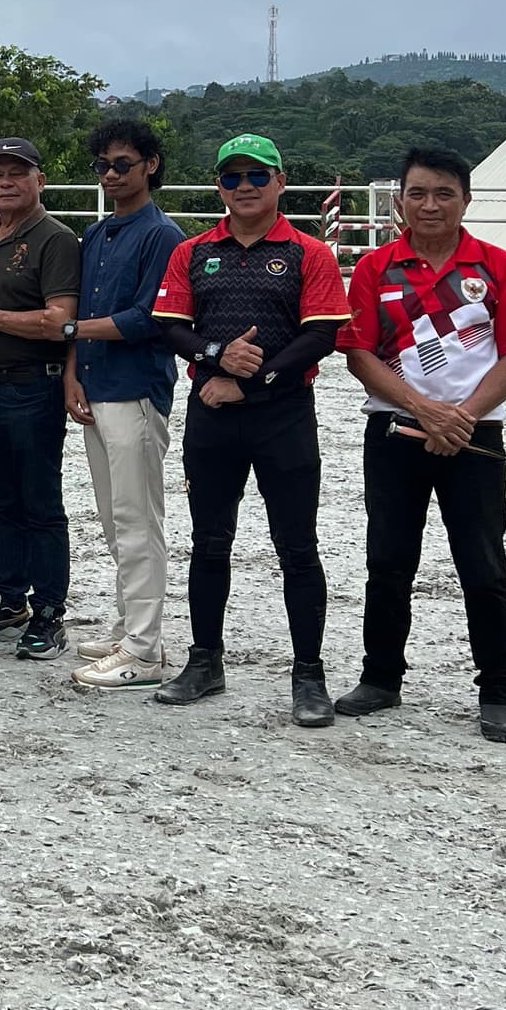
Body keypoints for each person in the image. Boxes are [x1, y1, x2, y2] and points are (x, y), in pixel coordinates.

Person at [333, 144, 506, 746]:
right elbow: (359, 353)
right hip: (396, 430)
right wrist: (423, 408)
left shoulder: (495, 266)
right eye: (418, 193)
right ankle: (380, 677)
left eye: (443, 193)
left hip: (475, 437)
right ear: (400, 199)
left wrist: (464, 418)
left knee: (483, 563)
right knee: (389, 559)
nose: (430, 205)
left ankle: (498, 688)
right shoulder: (377, 269)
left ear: (466, 200)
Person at [150, 133, 350, 726]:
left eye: (257, 177)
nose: (244, 187)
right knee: (210, 542)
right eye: (232, 178)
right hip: (212, 412)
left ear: (280, 183)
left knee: (297, 547)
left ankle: (308, 675)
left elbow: (322, 336)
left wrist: (250, 381)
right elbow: (170, 326)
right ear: (219, 186)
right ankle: (205, 661)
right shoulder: (192, 251)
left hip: (282, 414)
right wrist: (217, 357)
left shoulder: (309, 252)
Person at [62, 119, 187, 690]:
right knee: (117, 521)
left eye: (123, 165)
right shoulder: (97, 234)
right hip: (97, 386)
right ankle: (132, 629)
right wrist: (73, 369)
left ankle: (144, 649)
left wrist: (65, 330)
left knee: (138, 522)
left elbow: (149, 319)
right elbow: (89, 322)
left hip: (136, 391)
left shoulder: (162, 235)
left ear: (151, 166)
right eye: (103, 166)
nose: (112, 175)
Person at [0, 140, 81, 658]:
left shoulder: (56, 239)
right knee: (3, 501)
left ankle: (50, 610)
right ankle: (8, 598)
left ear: (40, 181)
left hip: (32, 385)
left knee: (41, 503)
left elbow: (59, 321)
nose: (6, 182)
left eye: (17, 174)